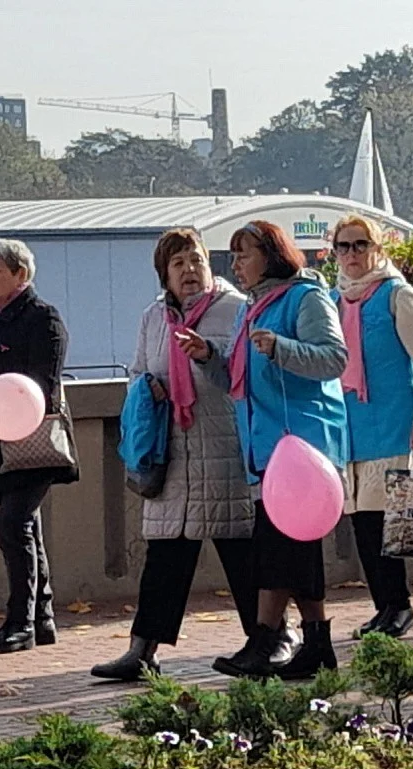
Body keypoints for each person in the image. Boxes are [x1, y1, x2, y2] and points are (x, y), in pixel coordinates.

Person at [90, 229, 297, 681]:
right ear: (164, 274)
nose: (189, 270)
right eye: (178, 263)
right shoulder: (154, 317)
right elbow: (138, 371)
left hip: (225, 449)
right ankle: (142, 649)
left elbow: (248, 373)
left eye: (196, 260)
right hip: (172, 453)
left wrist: (208, 355)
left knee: (242, 550)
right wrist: (148, 389)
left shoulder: (236, 307)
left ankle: (273, 636)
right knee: (165, 556)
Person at [178, 221, 349, 679]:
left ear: (271, 256)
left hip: (303, 448)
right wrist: (208, 357)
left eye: (244, 254)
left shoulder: (306, 297)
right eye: (233, 255)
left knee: (279, 550)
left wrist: (280, 347)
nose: (235, 264)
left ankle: (265, 640)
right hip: (267, 450)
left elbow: (334, 359)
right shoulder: (251, 308)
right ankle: (315, 644)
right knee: (291, 551)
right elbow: (240, 378)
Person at [331, 214, 413, 639]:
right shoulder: (334, 300)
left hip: (394, 425)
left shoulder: (398, 295)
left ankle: (400, 606)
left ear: (377, 248)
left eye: (360, 244)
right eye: (344, 246)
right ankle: (382, 608)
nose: (352, 254)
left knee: (389, 525)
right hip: (351, 430)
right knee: (363, 526)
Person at [0, 239, 78, 654]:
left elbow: (42, 385)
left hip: (33, 441)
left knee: (14, 523)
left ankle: (21, 623)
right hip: (2, 442)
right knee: (24, 525)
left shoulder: (43, 318)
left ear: (20, 274)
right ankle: (42, 618)